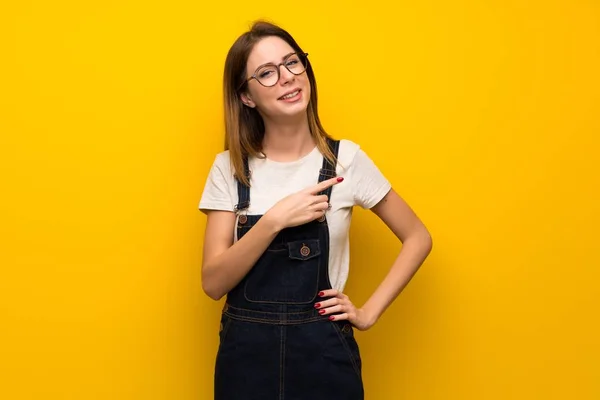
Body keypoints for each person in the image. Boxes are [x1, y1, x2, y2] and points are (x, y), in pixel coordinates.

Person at [198, 20, 432, 400]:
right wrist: (275, 220)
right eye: (267, 73)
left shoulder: (345, 161)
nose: (287, 78)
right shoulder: (229, 168)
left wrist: (367, 313)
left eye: (293, 63)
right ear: (246, 97)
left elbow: (418, 237)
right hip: (246, 362)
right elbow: (213, 283)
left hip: (324, 358)